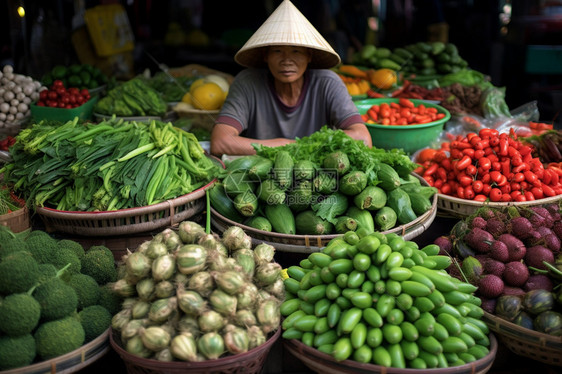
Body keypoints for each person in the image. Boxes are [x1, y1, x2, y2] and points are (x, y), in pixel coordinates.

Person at [210, 0, 372, 157]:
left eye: (296, 51)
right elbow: (220, 142)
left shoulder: (328, 83)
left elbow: (363, 138)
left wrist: (296, 147)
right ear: (266, 56)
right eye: (277, 51)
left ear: (309, 56)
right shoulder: (247, 83)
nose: (286, 60)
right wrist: (288, 145)